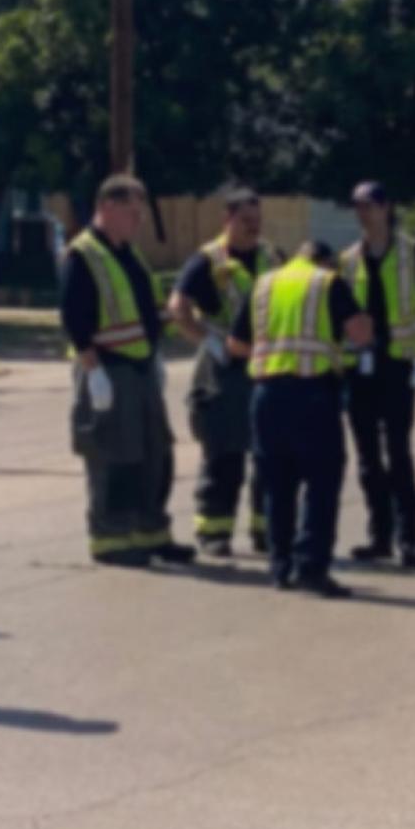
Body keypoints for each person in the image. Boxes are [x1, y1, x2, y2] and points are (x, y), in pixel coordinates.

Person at [61, 173, 194, 568]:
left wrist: (157, 346)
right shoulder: (82, 254)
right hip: (107, 370)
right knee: (114, 457)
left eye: (140, 212)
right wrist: (94, 371)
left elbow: (142, 308)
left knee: (155, 454)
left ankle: (152, 533)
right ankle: (112, 540)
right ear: (106, 207)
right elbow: (74, 318)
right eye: (131, 212)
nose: (138, 220)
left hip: (139, 367)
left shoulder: (129, 253)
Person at [227, 241, 372, 598]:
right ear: (325, 261)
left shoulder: (264, 284)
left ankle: (280, 567)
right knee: (322, 484)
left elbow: (235, 344)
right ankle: (311, 568)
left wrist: (276, 351)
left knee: (278, 485)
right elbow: (359, 333)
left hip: (267, 397)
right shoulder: (328, 282)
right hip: (313, 396)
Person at [167, 186, 281, 557]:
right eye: (246, 221)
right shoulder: (207, 261)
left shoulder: (271, 256)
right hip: (224, 372)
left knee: (270, 456)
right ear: (227, 219)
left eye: (257, 221)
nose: (253, 228)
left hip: (267, 367)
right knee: (223, 456)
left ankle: (267, 531)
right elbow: (177, 307)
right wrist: (206, 340)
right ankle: (214, 533)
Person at [340, 181, 415, 569]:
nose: (362, 213)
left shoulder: (413, 254)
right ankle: (378, 536)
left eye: (368, 206)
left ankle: (408, 540)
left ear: (386, 208)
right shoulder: (348, 260)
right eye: (357, 207)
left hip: (398, 367)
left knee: (398, 453)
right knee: (367, 459)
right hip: (360, 370)